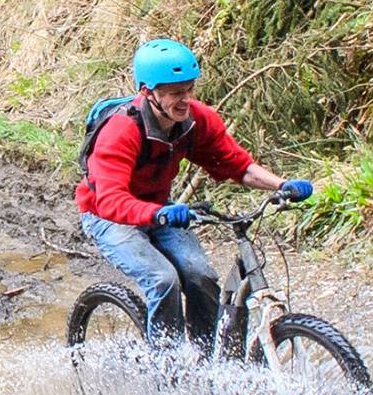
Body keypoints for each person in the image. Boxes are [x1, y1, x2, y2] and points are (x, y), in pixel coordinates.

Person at [76, 38, 315, 348]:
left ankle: (206, 361)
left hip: (159, 209)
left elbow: (237, 166)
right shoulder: (120, 132)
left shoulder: (195, 120)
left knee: (200, 275)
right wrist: (157, 213)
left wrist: (281, 185)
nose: (186, 100)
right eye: (176, 93)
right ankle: (169, 366)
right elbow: (110, 199)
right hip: (107, 216)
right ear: (148, 92)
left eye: (189, 89)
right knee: (164, 280)